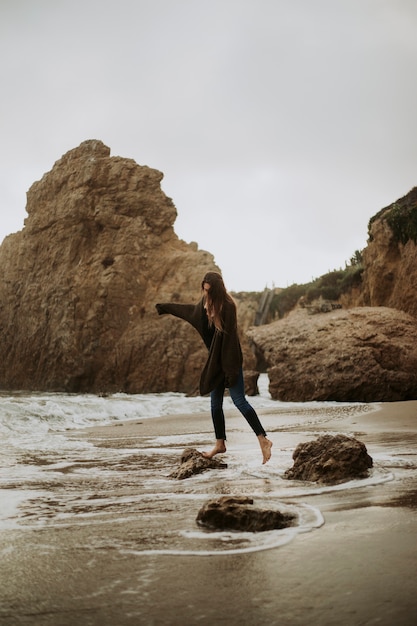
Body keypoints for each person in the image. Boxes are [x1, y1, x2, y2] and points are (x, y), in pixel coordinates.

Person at [155, 271, 272, 464]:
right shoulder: (205, 304)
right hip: (215, 362)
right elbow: (188, 312)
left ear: (217, 290)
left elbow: (229, 343)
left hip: (230, 360)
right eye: (204, 290)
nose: (206, 293)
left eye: (209, 291)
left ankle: (263, 439)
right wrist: (165, 307)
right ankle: (220, 444)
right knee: (215, 405)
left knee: (239, 401)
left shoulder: (228, 306)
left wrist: (229, 371)